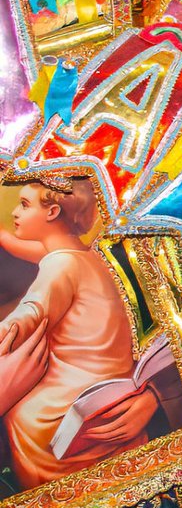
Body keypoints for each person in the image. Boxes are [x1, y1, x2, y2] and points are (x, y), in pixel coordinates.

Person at [0, 180, 150, 490]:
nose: (15, 212)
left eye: (24, 205)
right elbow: (19, 245)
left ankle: (48, 498)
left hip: (77, 391)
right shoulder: (84, 254)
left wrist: (5, 332)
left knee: (24, 415)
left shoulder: (61, 264)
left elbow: (32, 311)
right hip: (112, 381)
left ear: (53, 211)